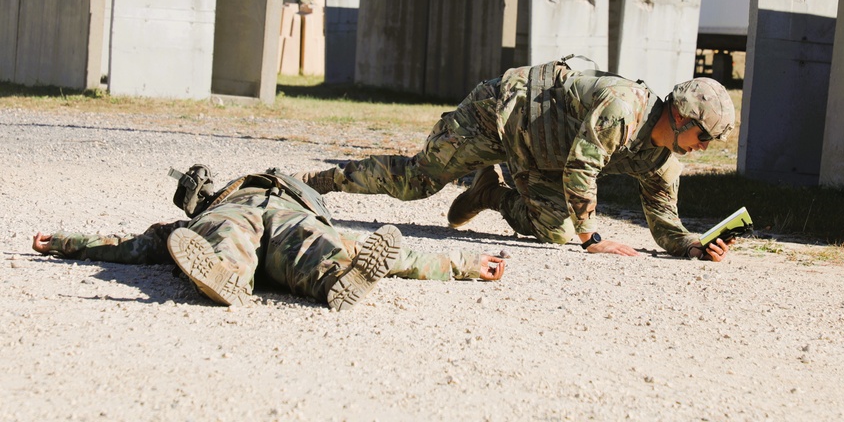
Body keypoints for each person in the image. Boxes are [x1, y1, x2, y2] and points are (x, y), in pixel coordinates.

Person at [297, 56, 738, 262]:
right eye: (703, 136)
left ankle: (489, 192)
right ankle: (319, 180)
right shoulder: (624, 108)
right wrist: (593, 238)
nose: (702, 147)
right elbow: (582, 169)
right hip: (500, 114)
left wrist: (694, 246)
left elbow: (663, 216)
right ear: (680, 116)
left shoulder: (665, 158)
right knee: (418, 182)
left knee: (555, 231)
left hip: (537, 156)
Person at [32, 168, 505, 311]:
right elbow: (125, 245)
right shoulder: (222, 206)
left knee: (316, 244)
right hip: (276, 217)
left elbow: (126, 246)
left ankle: (328, 279)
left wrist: (64, 242)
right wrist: (65, 243)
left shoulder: (217, 208)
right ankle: (322, 277)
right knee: (316, 243)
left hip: (275, 218)